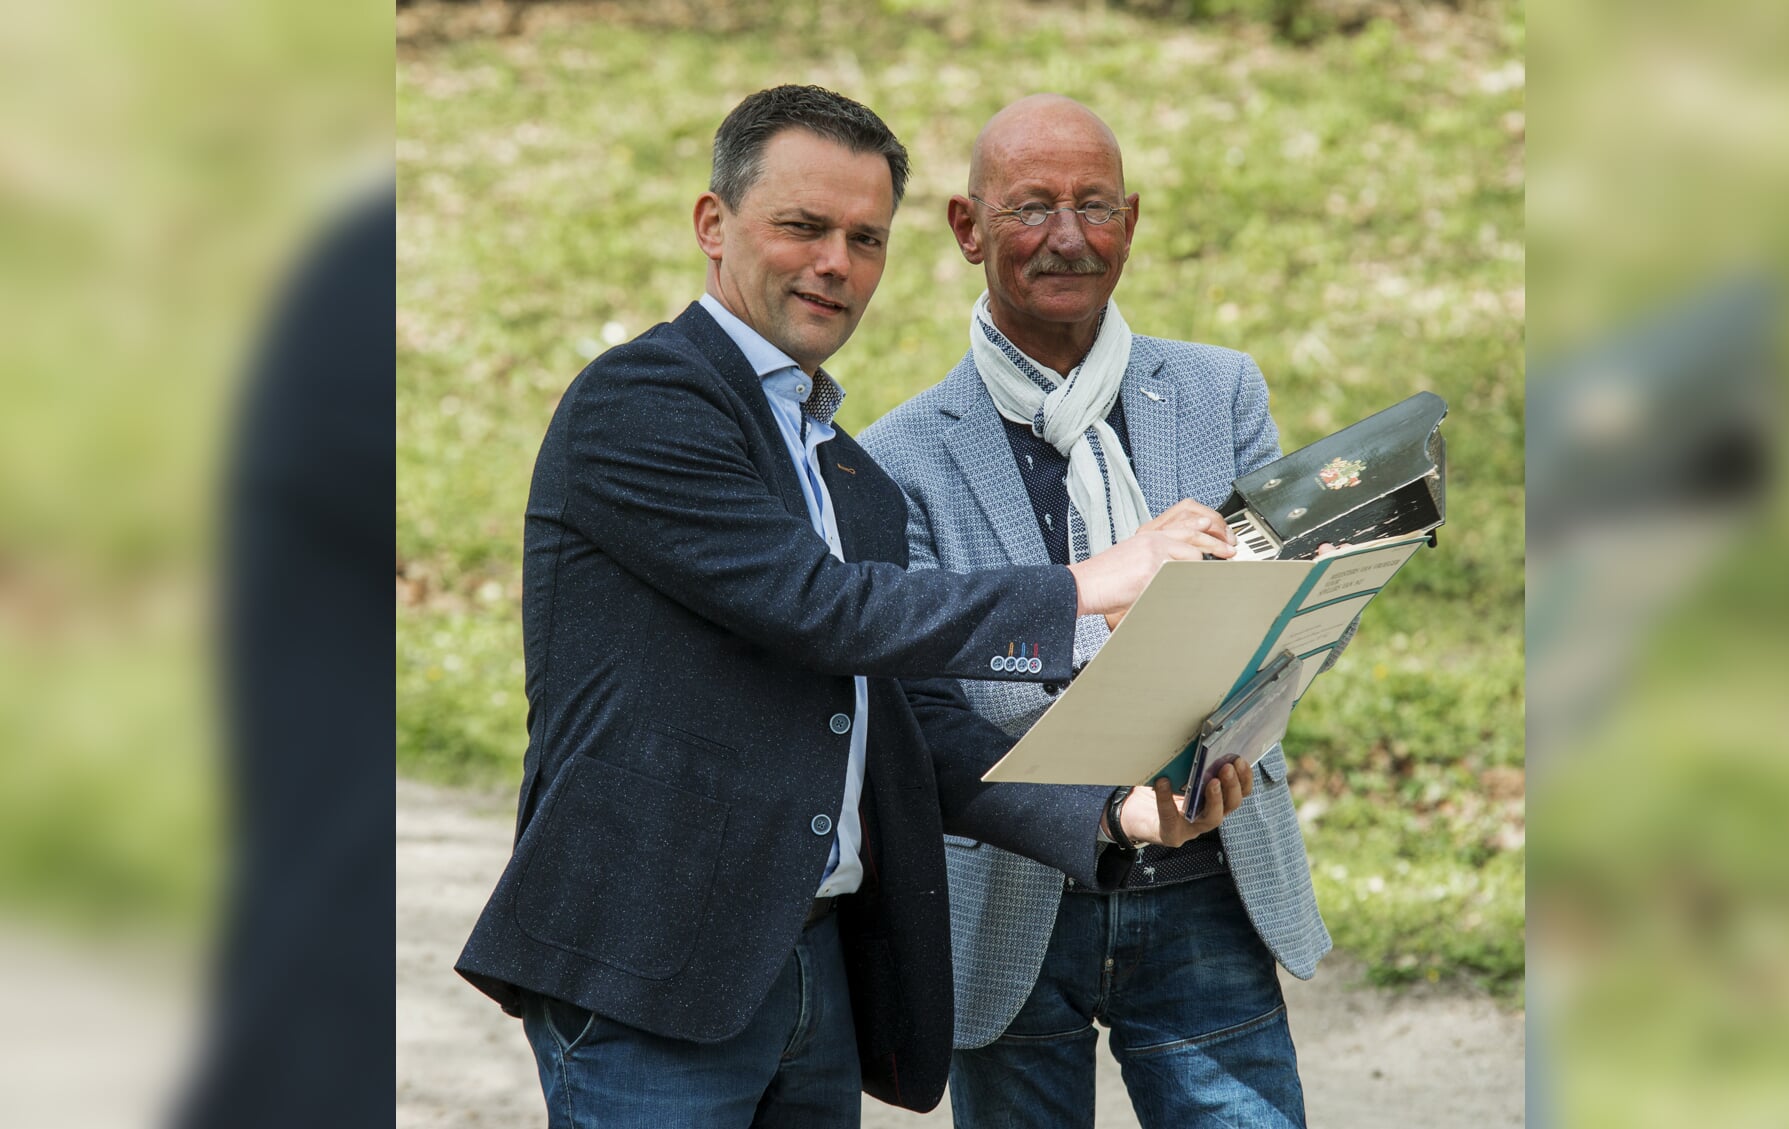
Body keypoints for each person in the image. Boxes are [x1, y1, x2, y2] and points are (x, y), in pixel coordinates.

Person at [454, 84, 1254, 1127]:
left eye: (864, 238)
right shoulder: (640, 403)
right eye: (802, 226)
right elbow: (822, 608)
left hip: (814, 969)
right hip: (648, 968)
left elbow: (905, 720)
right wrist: (1087, 584)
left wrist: (1110, 810)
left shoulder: (849, 469)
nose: (835, 262)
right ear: (713, 224)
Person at [863, 94, 1341, 1128]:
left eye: (1095, 205)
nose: (1069, 237)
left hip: (1209, 872)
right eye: (1032, 206)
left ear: (1132, 221)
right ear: (966, 228)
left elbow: (1294, 620)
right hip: (1010, 896)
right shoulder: (896, 460)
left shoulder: (1222, 393)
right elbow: (924, 698)